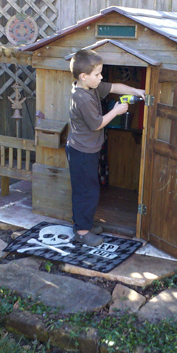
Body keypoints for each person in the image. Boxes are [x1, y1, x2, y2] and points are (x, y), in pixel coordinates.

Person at [66, 49, 145, 247]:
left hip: (87, 150)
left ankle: (84, 224)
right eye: (97, 74)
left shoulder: (90, 87)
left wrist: (136, 91)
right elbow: (97, 124)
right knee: (87, 191)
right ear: (84, 76)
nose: (101, 77)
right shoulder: (82, 98)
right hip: (82, 152)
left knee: (88, 189)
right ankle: (82, 231)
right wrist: (116, 111)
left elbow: (114, 87)